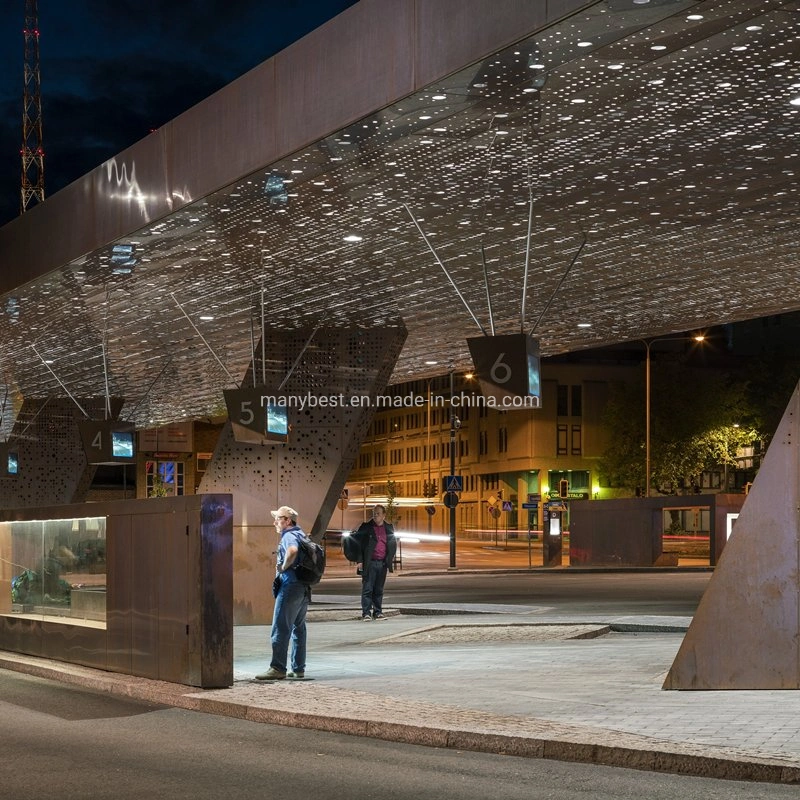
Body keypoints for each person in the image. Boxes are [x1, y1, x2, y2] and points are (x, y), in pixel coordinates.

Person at [256, 505, 310, 680]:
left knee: (280, 627)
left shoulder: (289, 536)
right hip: (303, 587)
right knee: (299, 628)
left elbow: (292, 551)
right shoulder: (302, 534)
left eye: (278, 518)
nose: (275, 522)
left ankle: (278, 668)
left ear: (287, 521)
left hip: (290, 586)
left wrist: (283, 566)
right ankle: (298, 668)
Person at [352, 504, 397, 620]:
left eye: (378, 514)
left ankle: (378, 612)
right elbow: (358, 544)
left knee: (379, 589)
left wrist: (389, 559)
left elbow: (392, 544)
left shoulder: (388, 528)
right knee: (367, 588)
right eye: (374, 513)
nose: (375, 516)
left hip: (382, 563)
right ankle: (366, 612)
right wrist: (360, 560)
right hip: (369, 563)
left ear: (383, 515)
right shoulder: (366, 527)